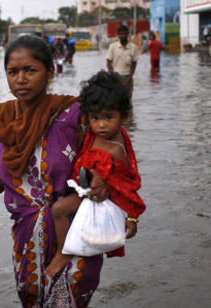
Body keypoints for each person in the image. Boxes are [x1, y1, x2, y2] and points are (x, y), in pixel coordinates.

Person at [0, 35, 111, 308]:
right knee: (31, 303)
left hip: (72, 224)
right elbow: (3, 172)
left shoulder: (74, 114)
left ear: (50, 72)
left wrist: (101, 179)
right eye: (13, 71)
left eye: (30, 70)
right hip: (26, 230)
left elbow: (109, 155)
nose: (21, 79)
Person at [45, 70, 146, 276]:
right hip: (84, 190)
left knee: (59, 210)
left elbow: (126, 185)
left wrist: (132, 217)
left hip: (99, 199)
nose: (101, 124)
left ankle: (63, 253)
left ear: (123, 117)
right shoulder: (90, 133)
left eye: (108, 118)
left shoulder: (115, 149)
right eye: (95, 117)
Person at [106, 25, 139, 100]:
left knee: (128, 101)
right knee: (115, 100)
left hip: (128, 77)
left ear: (128, 34)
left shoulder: (133, 47)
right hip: (115, 77)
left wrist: (129, 78)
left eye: (125, 33)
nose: (123, 36)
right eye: (121, 34)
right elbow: (108, 62)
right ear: (118, 35)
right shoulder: (113, 46)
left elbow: (134, 64)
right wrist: (113, 76)